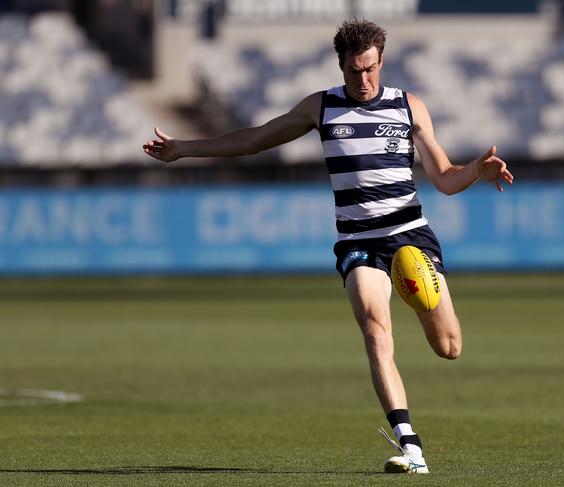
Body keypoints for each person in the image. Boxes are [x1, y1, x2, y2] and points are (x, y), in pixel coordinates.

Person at [143, 18, 514, 474]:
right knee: (376, 331)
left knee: (449, 346)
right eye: (355, 70)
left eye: (372, 68)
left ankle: (415, 415)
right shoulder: (320, 108)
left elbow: (444, 177)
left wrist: (478, 169)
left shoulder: (408, 107)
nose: (364, 80)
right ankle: (411, 448)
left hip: (411, 238)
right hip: (358, 241)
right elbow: (254, 139)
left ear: (382, 61)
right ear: (340, 65)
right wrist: (185, 148)